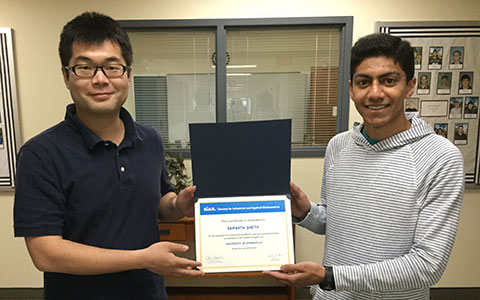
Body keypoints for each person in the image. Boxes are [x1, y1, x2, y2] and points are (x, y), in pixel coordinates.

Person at [13, 12, 203, 300]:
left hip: (148, 293)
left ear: (128, 74)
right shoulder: (40, 154)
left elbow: (159, 202)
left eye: (112, 67)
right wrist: (143, 258)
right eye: (85, 68)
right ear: (66, 76)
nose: (100, 80)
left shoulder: (149, 139)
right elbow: (46, 253)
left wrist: (178, 204)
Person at [264, 33, 464, 300]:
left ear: (410, 85)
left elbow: (427, 265)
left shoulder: (440, 157)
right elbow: (335, 221)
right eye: (364, 82)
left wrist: (330, 277)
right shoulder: (338, 145)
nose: (375, 93)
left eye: (389, 80)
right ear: (350, 88)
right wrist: (306, 212)